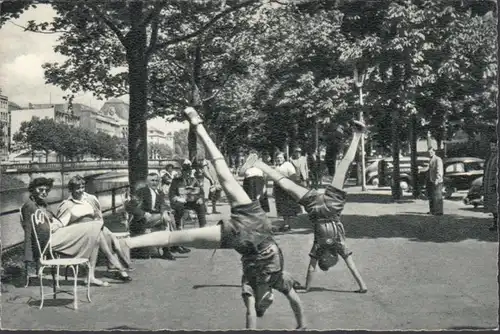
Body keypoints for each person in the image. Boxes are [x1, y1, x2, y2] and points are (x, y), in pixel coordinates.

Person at [125, 107, 306, 330]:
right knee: (223, 173)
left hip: (240, 235)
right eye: (269, 299)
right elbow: (296, 302)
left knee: (177, 236)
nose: (267, 298)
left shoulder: (250, 286)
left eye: (263, 302)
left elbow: (251, 315)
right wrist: (302, 327)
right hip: (256, 221)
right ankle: (198, 125)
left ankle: (127, 242)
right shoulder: (281, 280)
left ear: (258, 299)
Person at [240, 120, 368, 293]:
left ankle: (357, 135)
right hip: (322, 208)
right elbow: (315, 268)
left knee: (339, 168)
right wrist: (362, 286)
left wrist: (362, 285)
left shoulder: (332, 247)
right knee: (287, 183)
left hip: (328, 207)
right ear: (330, 257)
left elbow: (316, 268)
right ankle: (358, 135)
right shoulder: (329, 246)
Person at [22, 176, 133, 287]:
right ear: (32, 189)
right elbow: (29, 232)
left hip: (57, 233)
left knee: (95, 234)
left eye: (46, 190)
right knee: (94, 227)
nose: (44, 193)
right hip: (49, 240)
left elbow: (53, 221)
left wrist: (55, 224)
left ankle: (91, 276)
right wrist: (29, 258)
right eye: (40, 190)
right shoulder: (29, 206)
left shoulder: (42, 204)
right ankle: (113, 262)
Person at [128, 173, 179, 259]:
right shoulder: (142, 191)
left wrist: (165, 212)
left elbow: (164, 205)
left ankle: (168, 249)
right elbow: (130, 206)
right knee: (167, 219)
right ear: (147, 182)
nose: (154, 183)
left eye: (156, 181)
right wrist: (143, 213)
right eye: (152, 180)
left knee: (167, 219)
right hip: (142, 219)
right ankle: (171, 248)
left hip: (155, 218)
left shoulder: (160, 193)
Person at [169, 159, 208, 230]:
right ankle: (179, 227)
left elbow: (201, 192)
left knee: (201, 206)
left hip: (192, 202)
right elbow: (171, 194)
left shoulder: (194, 180)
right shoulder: (176, 181)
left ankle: (203, 227)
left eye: (189, 172)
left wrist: (200, 198)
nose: (187, 174)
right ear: (182, 172)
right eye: (185, 172)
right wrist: (178, 198)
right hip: (180, 203)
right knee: (179, 206)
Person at [273, 152, 301, 232]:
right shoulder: (276, 166)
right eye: (277, 158)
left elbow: (293, 176)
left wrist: (289, 186)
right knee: (281, 206)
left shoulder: (288, 165)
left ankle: (287, 224)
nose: (279, 159)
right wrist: (273, 190)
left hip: (286, 188)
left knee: (286, 206)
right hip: (278, 188)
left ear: (284, 158)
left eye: (281, 158)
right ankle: (285, 223)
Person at [483, 138, 497, 231]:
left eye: (494, 145)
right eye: (491, 145)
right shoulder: (490, 157)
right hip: (489, 186)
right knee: (493, 207)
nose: (492, 147)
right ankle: (495, 224)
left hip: (495, 187)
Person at [427, 147, 444, 216]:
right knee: (432, 196)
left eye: (431, 152)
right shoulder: (430, 160)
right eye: (429, 153)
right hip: (431, 180)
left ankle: (439, 211)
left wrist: (438, 179)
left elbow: (439, 170)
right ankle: (432, 210)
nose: (430, 154)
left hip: (437, 181)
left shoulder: (438, 159)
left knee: (438, 196)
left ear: (434, 152)